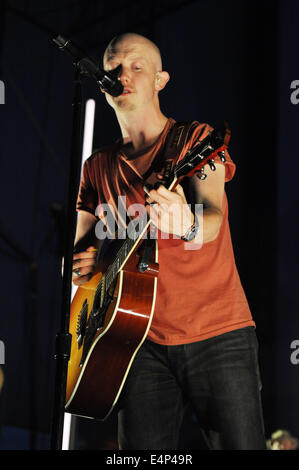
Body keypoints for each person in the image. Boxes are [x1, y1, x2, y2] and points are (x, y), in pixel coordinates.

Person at [72, 32, 266, 450]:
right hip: (134, 343)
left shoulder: (195, 140)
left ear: (161, 80)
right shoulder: (96, 167)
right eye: (113, 67)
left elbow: (212, 216)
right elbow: (80, 246)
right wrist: (81, 267)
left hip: (217, 332)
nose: (122, 74)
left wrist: (186, 223)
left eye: (136, 66)